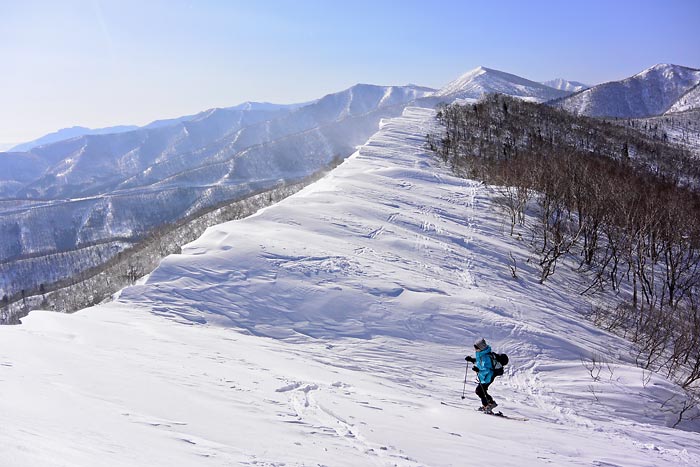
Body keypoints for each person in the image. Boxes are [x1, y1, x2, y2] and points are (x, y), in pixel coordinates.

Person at [465, 337, 498, 412]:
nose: (475, 349)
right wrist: (472, 360)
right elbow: (480, 362)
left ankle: (488, 405)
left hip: (488, 377)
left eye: (477, 348)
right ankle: (489, 404)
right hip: (484, 377)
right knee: (481, 391)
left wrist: (478, 370)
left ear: (481, 348)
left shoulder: (485, 357)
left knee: (479, 391)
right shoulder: (482, 354)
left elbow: (487, 369)